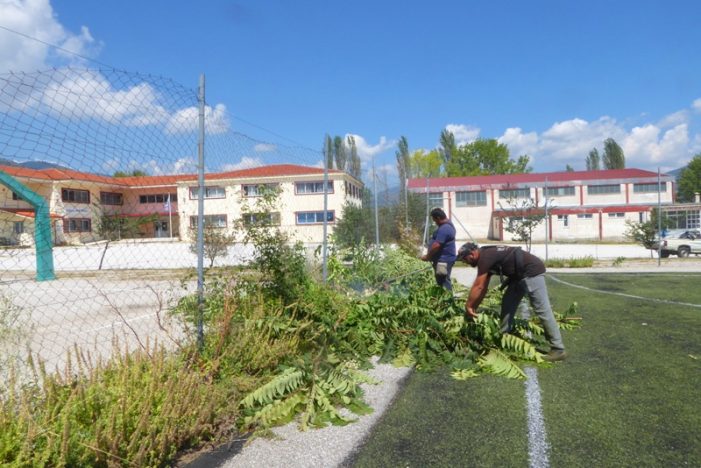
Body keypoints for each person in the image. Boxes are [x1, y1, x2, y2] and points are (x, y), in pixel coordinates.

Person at [456, 242, 567, 362]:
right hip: (517, 276)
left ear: (472, 254)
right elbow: (483, 288)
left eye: (464, 259)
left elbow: (478, 286)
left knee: (542, 310)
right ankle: (504, 337)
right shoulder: (486, 256)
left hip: (532, 271)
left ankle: (558, 349)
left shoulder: (485, 257)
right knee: (508, 303)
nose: (464, 262)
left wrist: (468, 305)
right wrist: (473, 308)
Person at [420, 207, 457, 290]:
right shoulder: (446, 225)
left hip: (443, 261)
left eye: (434, 220)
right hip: (442, 260)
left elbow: (437, 245)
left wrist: (427, 256)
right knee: (441, 281)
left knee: (443, 281)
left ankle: (447, 300)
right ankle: (444, 299)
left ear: (438, 218)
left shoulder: (445, 228)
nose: (435, 222)